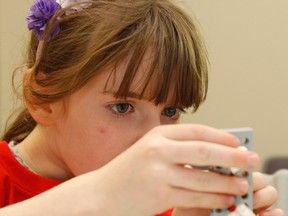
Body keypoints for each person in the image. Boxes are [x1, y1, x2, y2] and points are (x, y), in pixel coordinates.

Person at [0, 0, 283, 215]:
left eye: (171, 112)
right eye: (122, 107)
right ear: (43, 97)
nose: (153, 138)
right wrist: (102, 195)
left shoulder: (164, 199)